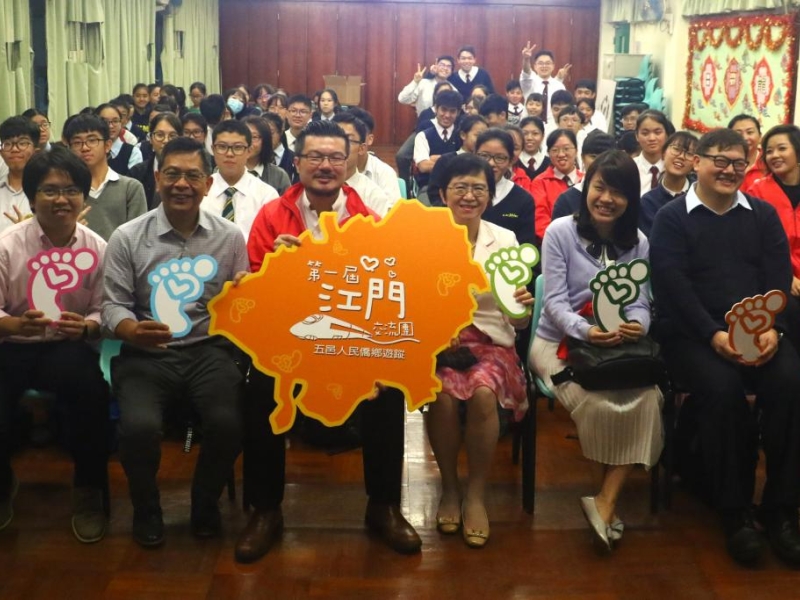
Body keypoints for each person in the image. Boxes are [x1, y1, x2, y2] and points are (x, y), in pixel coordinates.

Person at [237, 120, 421, 563]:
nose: (325, 165)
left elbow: (383, 294)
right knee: (261, 387)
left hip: (347, 339)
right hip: (288, 339)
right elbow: (255, 295)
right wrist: (276, 270)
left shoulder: (368, 220)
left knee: (388, 389)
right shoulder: (272, 216)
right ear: (297, 162)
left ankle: (384, 506)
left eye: (335, 157)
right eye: (315, 156)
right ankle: (265, 509)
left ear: (350, 161)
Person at [649, 128, 800, 566]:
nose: (729, 170)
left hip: (759, 331)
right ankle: (734, 511)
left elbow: (777, 278)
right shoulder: (672, 218)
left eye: (738, 162)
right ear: (697, 162)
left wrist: (773, 328)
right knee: (723, 390)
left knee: (791, 384)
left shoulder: (761, 215)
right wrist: (712, 334)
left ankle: (781, 509)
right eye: (720, 160)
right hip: (693, 335)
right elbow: (673, 286)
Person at [102, 137, 248, 548]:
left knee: (228, 423)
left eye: (192, 176)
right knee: (139, 428)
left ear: (208, 183)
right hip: (146, 354)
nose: (181, 184)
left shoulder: (229, 237)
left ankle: (204, 503)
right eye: (172, 174)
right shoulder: (128, 237)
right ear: (157, 177)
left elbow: (240, 308)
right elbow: (112, 305)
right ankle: (147, 508)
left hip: (209, 351)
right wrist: (131, 330)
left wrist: (248, 294)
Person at [530, 150, 663, 552]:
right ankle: (605, 504)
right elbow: (554, 302)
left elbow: (640, 300)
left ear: (631, 199)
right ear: (586, 186)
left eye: (618, 192)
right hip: (557, 343)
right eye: (600, 188)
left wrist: (638, 324)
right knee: (599, 403)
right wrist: (586, 330)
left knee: (649, 398)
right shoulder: (560, 232)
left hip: (616, 345)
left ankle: (605, 501)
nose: (606, 199)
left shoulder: (638, 241)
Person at [0, 146, 110, 542]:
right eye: (49, 190)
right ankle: (2, 482)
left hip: (67, 345)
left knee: (92, 395)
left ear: (83, 196)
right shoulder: (7, 244)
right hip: (11, 343)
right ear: (32, 198)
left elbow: (104, 309)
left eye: (70, 190)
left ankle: (89, 490)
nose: (61, 199)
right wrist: (15, 323)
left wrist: (88, 327)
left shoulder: (96, 247)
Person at [427, 153, 532, 548]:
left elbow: (518, 323)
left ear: (490, 195)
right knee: (441, 396)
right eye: (460, 187)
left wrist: (523, 307)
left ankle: (475, 494)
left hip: (491, 341)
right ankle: (450, 488)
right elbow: (409, 300)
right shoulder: (424, 237)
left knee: (484, 393)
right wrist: (437, 331)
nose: (469, 196)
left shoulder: (504, 240)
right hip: (438, 343)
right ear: (443, 193)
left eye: (478, 189)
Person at [65, 115, 147, 241]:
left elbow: (139, 239)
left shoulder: (130, 188)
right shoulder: (64, 191)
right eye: (77, 143)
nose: (85, 147)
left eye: (92, 140)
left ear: (108, 145)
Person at [202, 120, 279, 241]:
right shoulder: (200, 191)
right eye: (222, 147)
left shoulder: (267, 195)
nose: (229, 154)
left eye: (237, 147)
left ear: (248, 151)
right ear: (213, 149)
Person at [474, 129, 536, 247]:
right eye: (484, 156)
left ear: (511, 161)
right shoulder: (463, 194)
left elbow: (526, 247)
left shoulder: (522, 199)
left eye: (500, 158)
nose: (491, 163)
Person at [331, 113, 393, 216]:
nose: (339, 146)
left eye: (348, 140)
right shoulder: (313, 186)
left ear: (362, 148)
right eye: (334, 139)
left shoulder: (374, 196)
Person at [638, 131, 697, 237]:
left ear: (696, 162)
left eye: (689, 153)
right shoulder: (648, 201)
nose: (681, 156)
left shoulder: (700, 196)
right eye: (676, 149)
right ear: (663, 153)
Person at [551, 131, 616, 220]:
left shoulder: (622, 196)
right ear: (582, 157)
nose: (599, 162)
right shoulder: (567, 199)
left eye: (605, 157)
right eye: (593, 157)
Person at [532, 128, 582, 240]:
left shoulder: (586, 180)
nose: (561, 154)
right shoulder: (540, 182)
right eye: (555, 150)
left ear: (576, 150)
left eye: (566, 149)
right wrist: (561, 242)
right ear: (548, 153)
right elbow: (540, 220)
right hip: (553, 242)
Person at [413, 90, 463, 204]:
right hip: (428, 187)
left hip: (459, 189)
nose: (447, 115)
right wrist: (456, 162)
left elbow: (468, 164)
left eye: (452, 111)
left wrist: (437, 160)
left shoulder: (462, 135)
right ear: (436, 109)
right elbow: (423, 166)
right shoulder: (423, 136)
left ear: (458, 112)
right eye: (443, 109)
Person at [428, 114, 488, 204]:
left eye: (485, 137)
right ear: (463, 135)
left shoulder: (486, 163)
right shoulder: (446, 161)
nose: (482, 140)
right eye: (478, 135)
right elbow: (434, 193)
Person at [130, 112, 183, 209]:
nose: (166, 140)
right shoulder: (137, 172)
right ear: (150, 139)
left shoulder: (189, 172)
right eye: (160, 135)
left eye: (172, 136)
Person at [0, 117, 39, 231]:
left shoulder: (46, 191)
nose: (14, 149)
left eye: (22, 143)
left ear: (36, 150)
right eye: (7, 144)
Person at [519, 43, 568, 123]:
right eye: (541, 63)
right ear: (535, 66)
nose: (544, 66)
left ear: (553, 66)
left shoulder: (559, 86)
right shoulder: (530, 82)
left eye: (548, 63)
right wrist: (526, 59)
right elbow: (526, 72)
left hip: (552, 125)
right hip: (530, 124)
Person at [242, 116, 291, 195]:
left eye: (254, 137)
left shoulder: (279, 176)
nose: (248, 142)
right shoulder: (227, 171)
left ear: (265, 140)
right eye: (245, 136)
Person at [633, 110, 675, 197]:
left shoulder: (674, 168)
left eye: (657, 132)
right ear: (637, 136)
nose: (652, 138)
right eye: (645, 133)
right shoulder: (629, 167)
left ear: (667, 134)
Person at [96, 103, 143, 176]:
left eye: (115, 121)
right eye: (105, 122)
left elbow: (133, 181)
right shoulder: (91, 150)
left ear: (121, 123)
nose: (110, 126)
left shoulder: (133, 152)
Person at [729, 114, 767, 191]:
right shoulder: (724, 164)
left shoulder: (769, 162)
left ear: (760, 137)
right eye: (739, 134)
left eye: (750, 132)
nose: (745, 138)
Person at [264, 112, 297, 184]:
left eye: (271, 133)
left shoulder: (294, 158)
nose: (267, 137)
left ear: (281, 132)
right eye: (263, 134)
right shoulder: (255, 158)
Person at [518, 116, 549, 180]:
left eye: (535, 133)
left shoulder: (550, 164)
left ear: (543, 136)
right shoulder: (513, 163)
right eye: (525, 133)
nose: (529, 138)